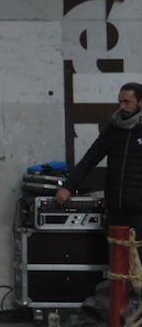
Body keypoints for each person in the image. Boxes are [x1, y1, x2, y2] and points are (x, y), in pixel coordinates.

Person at [56, 83, 142, 234]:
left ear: (140, 102)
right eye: (120, 101)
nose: (122, 106)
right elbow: (91, 157)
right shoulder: (113, 127)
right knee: (115, 256)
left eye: (127, 102)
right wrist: (68, 186)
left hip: (139, 213)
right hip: (115, 211)